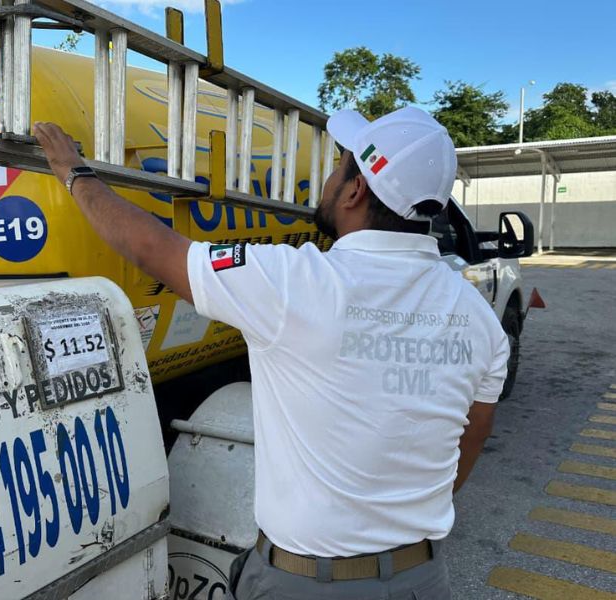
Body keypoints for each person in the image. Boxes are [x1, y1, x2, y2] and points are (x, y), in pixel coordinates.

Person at [33, 105, 508, 600]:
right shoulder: (477, 316)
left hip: (307, 585)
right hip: (422, 580)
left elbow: (154, 248)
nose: (327, 179)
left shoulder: (296, 284)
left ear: (355, 189)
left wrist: (75, 172)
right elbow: (474, 434)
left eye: (338, 166)